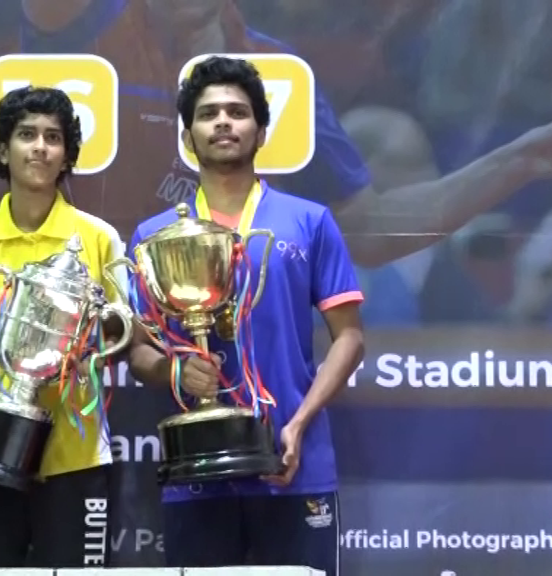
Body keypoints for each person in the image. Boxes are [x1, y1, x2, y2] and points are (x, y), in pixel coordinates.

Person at [0, 0, 552, 268]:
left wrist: (515, 163)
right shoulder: (81, 29)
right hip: (86, 354)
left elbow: (367, 230)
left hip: (217, 372)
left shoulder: (276, 75)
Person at [126, 56, 365, 574]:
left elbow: (349, 338)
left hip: (292, 462)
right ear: (187, 137)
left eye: (237, 112)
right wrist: (174, 371)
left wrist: (299, 423)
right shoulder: (155, 237)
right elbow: (138, 350)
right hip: (197, 470)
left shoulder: (309, 221)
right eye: (208, 113)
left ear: (261, 132)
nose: (223, 122)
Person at [0, 86, 127, 569]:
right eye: (27, 135)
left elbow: (123, 336)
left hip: (74, 462)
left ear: (67, 155)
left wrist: (100, 338)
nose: (40, 147)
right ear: (2, 150)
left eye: (53, 138)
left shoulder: (99, 239)